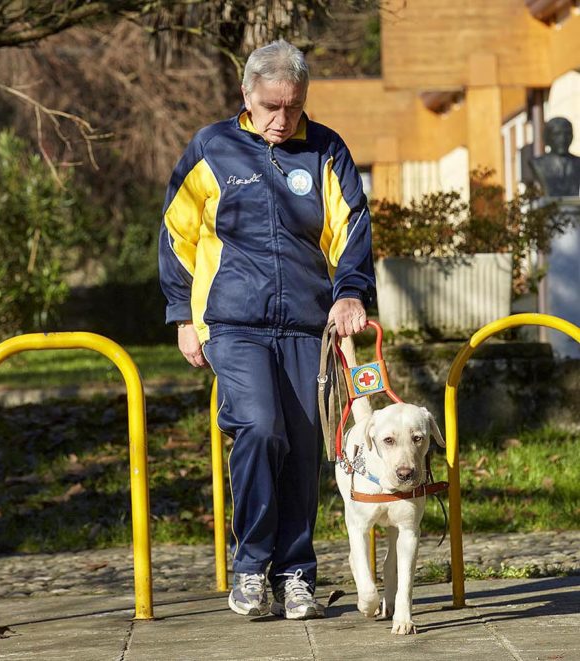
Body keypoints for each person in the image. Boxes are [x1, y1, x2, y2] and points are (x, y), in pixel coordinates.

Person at [158, 40, 375, 620]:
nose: (283, 119)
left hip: (307, 326)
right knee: (259, 427)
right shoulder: (212, 147)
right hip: (232, 322)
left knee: (304, 447)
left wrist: (350, 292)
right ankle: (252, 567)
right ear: (247, 97)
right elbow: (175, 233)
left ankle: (297, 574)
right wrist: (183, 314)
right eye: (271, 106)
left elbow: (352, 227)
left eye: (294, 106)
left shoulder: (327, 149)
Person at [529, 117, 580, 197]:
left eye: (567, 133)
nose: (563, 139)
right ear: (548, 137)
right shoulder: (538, 164)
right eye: (557, 134)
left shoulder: (578, 162)